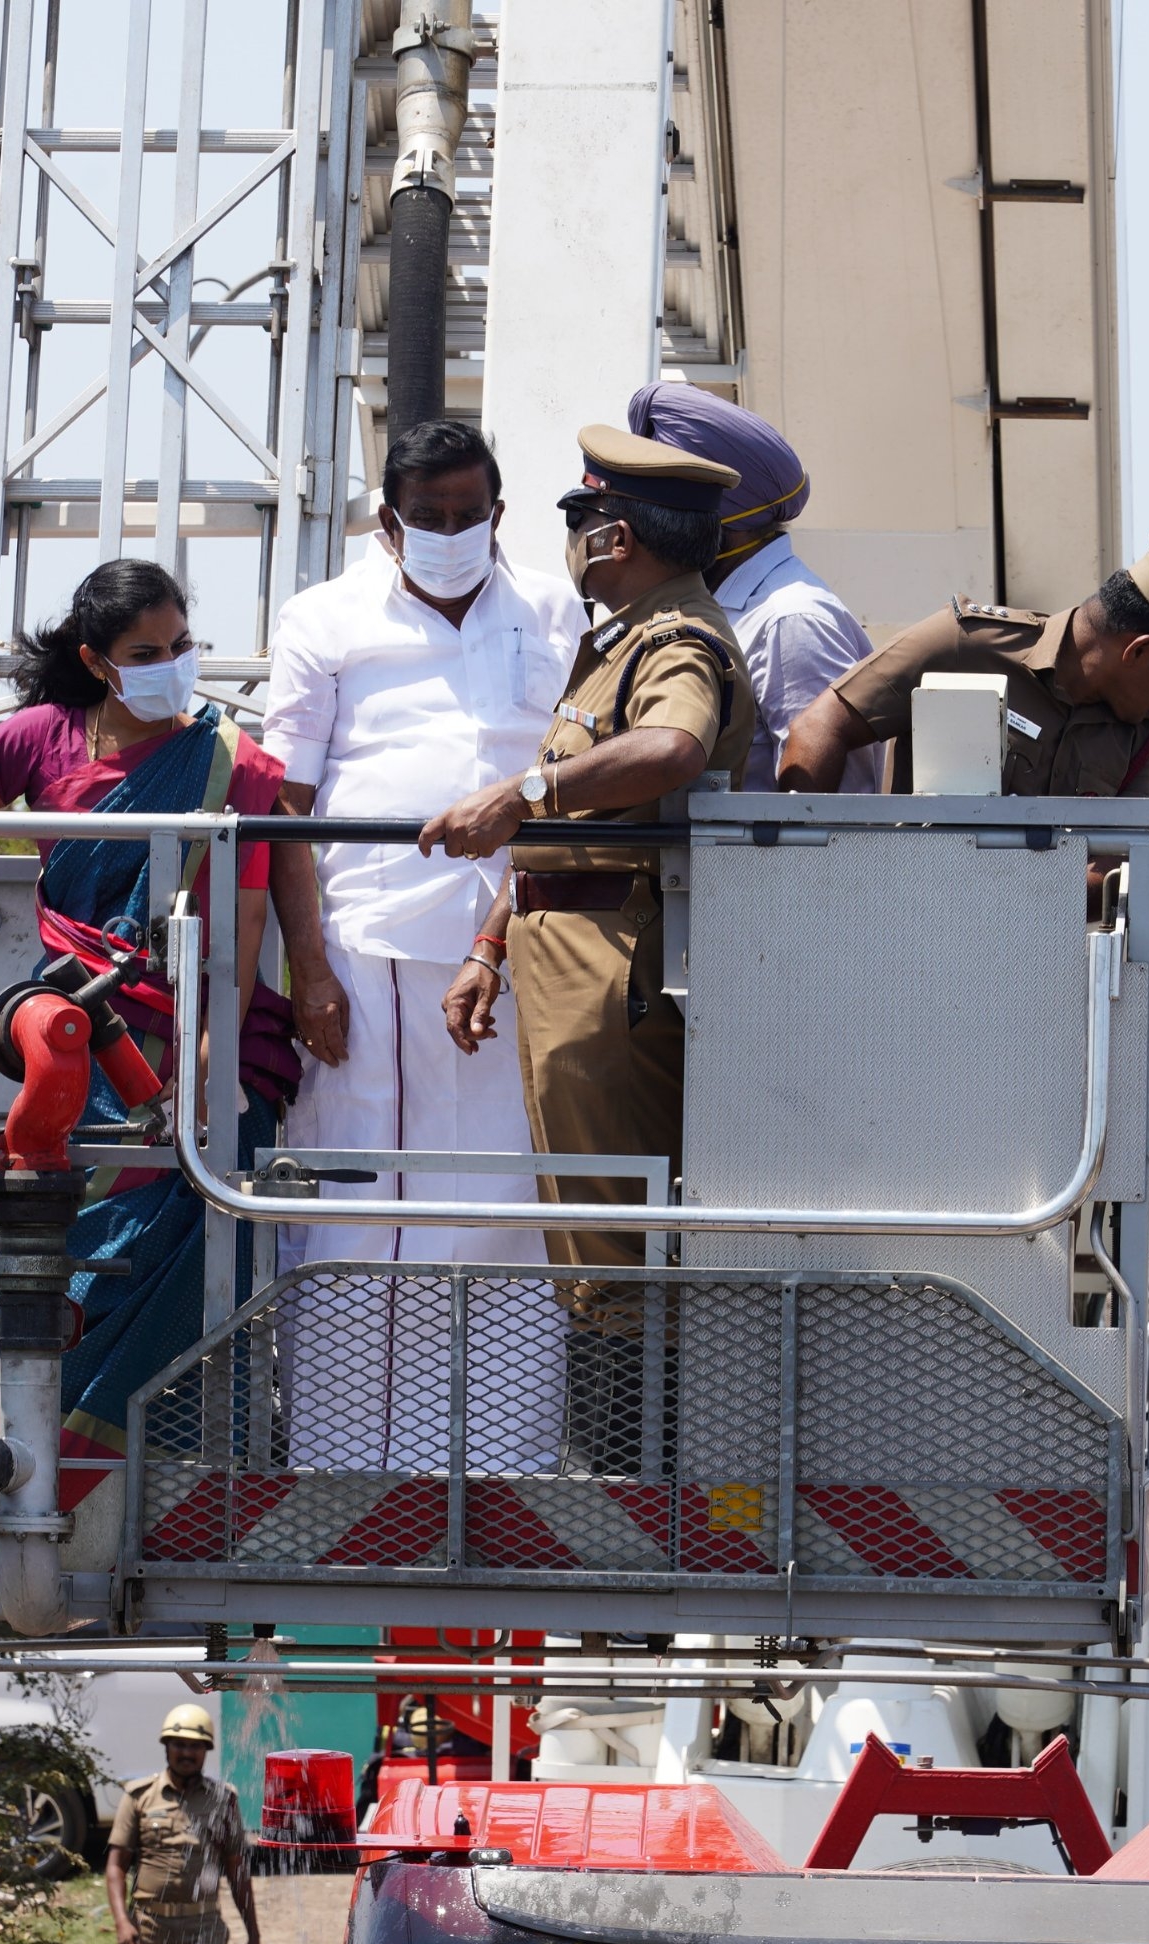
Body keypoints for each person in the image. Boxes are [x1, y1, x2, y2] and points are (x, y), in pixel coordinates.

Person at [0, 562, 324, 1469]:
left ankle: (158, 1462)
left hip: (185, 1042)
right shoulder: (38, 739)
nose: (172, 665)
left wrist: (211, 1050)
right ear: (96, 661)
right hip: (73, 1044)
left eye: (180, 646)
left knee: (190, 1244)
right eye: (145, 653)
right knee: (56, 1234)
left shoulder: (228, 761)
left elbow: (242, 916)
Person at [426, 426, 760, 1470]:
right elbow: (558, 831)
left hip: (613, 959)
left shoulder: (676, 640)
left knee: (614, 1249)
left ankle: (631, 1504)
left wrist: (525, 790)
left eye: (577, 521)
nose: (570, 542)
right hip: (561, 943)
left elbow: (673, 746)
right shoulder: (620, 638)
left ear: (613, 534)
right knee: (584, 1234)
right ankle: (619, 1495)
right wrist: (490, 943)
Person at [260, 419, 586, 1463]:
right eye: (430, 519)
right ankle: (346, 1476)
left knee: (507, 1213)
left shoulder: (551, 606)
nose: (452, 533)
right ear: (390, 523)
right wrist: (310, 969)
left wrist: (500, 932)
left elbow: (564, 772)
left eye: (470, 515)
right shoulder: (324, 618)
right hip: (372, 951)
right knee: (368, 1214)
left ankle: (505, 1472)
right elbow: (287, 805)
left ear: (499, 511)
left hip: (519, 949)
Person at [770, 525, 1149, 796]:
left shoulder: (1137, 735)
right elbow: (821, 727)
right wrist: (810, 861)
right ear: (1139, 652)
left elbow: (1111, 869)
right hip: (899, 923)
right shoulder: (965, 645)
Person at [622, 381, 883, 792]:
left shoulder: (790, 621)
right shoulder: (712, 606)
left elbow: (828, 823)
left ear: (716, 524)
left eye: (663, 519)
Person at [106, 1701, 263, 1944]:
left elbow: (237, 1872)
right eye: (179, 1744)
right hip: (149, 1933)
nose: (187, 1752)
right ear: (166, 1747)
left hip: (203, 1932)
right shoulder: (139, 1797)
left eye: (196, 1746)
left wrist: (254, 1936)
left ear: (207, 1750)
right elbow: (115, 1867)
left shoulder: (222, 1800)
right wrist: (123, 1923)